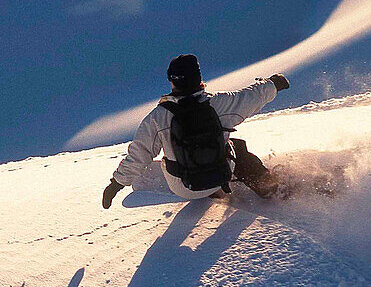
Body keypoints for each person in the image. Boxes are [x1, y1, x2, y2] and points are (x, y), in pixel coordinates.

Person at [102, 54, 288, 208]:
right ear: (198, 77)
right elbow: (252, 96)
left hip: (182, 186)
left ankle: (213, 192)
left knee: (167, 158)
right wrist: (274, 83)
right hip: (219, 175)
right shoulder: (219, 103)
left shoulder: (158, 117)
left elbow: (139, 156)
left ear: (172, 81)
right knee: (237, 148)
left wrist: (115, 185)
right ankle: (271, 188)